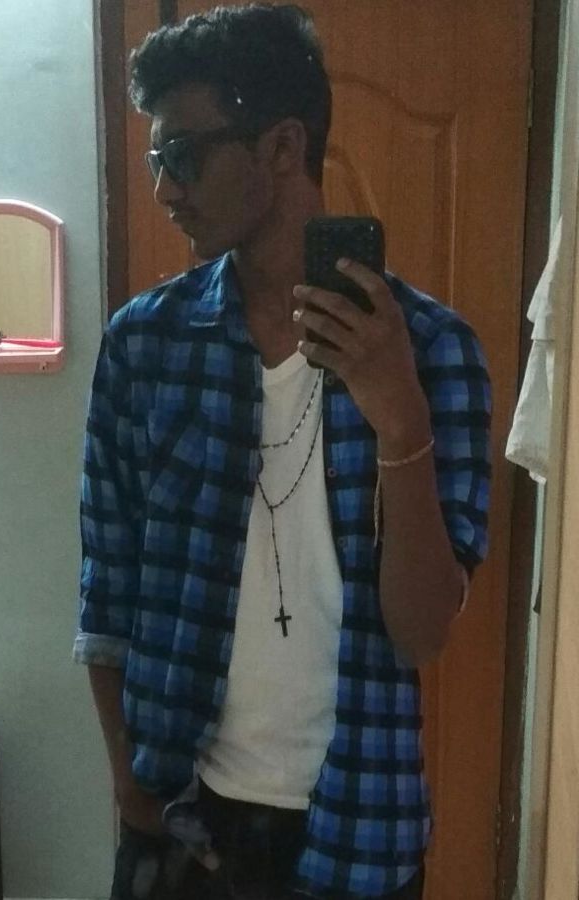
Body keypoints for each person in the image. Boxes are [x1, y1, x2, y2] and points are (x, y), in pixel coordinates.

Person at [74, 4, 491, 899]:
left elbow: (422, 632)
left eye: (185, 154)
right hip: (180, 813)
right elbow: (107, 587)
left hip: (358, 826)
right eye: (155, 160)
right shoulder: (146, 346)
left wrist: (400, 419)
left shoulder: (433, 352)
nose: (166, 189)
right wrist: (128, 788)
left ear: (281, 146)